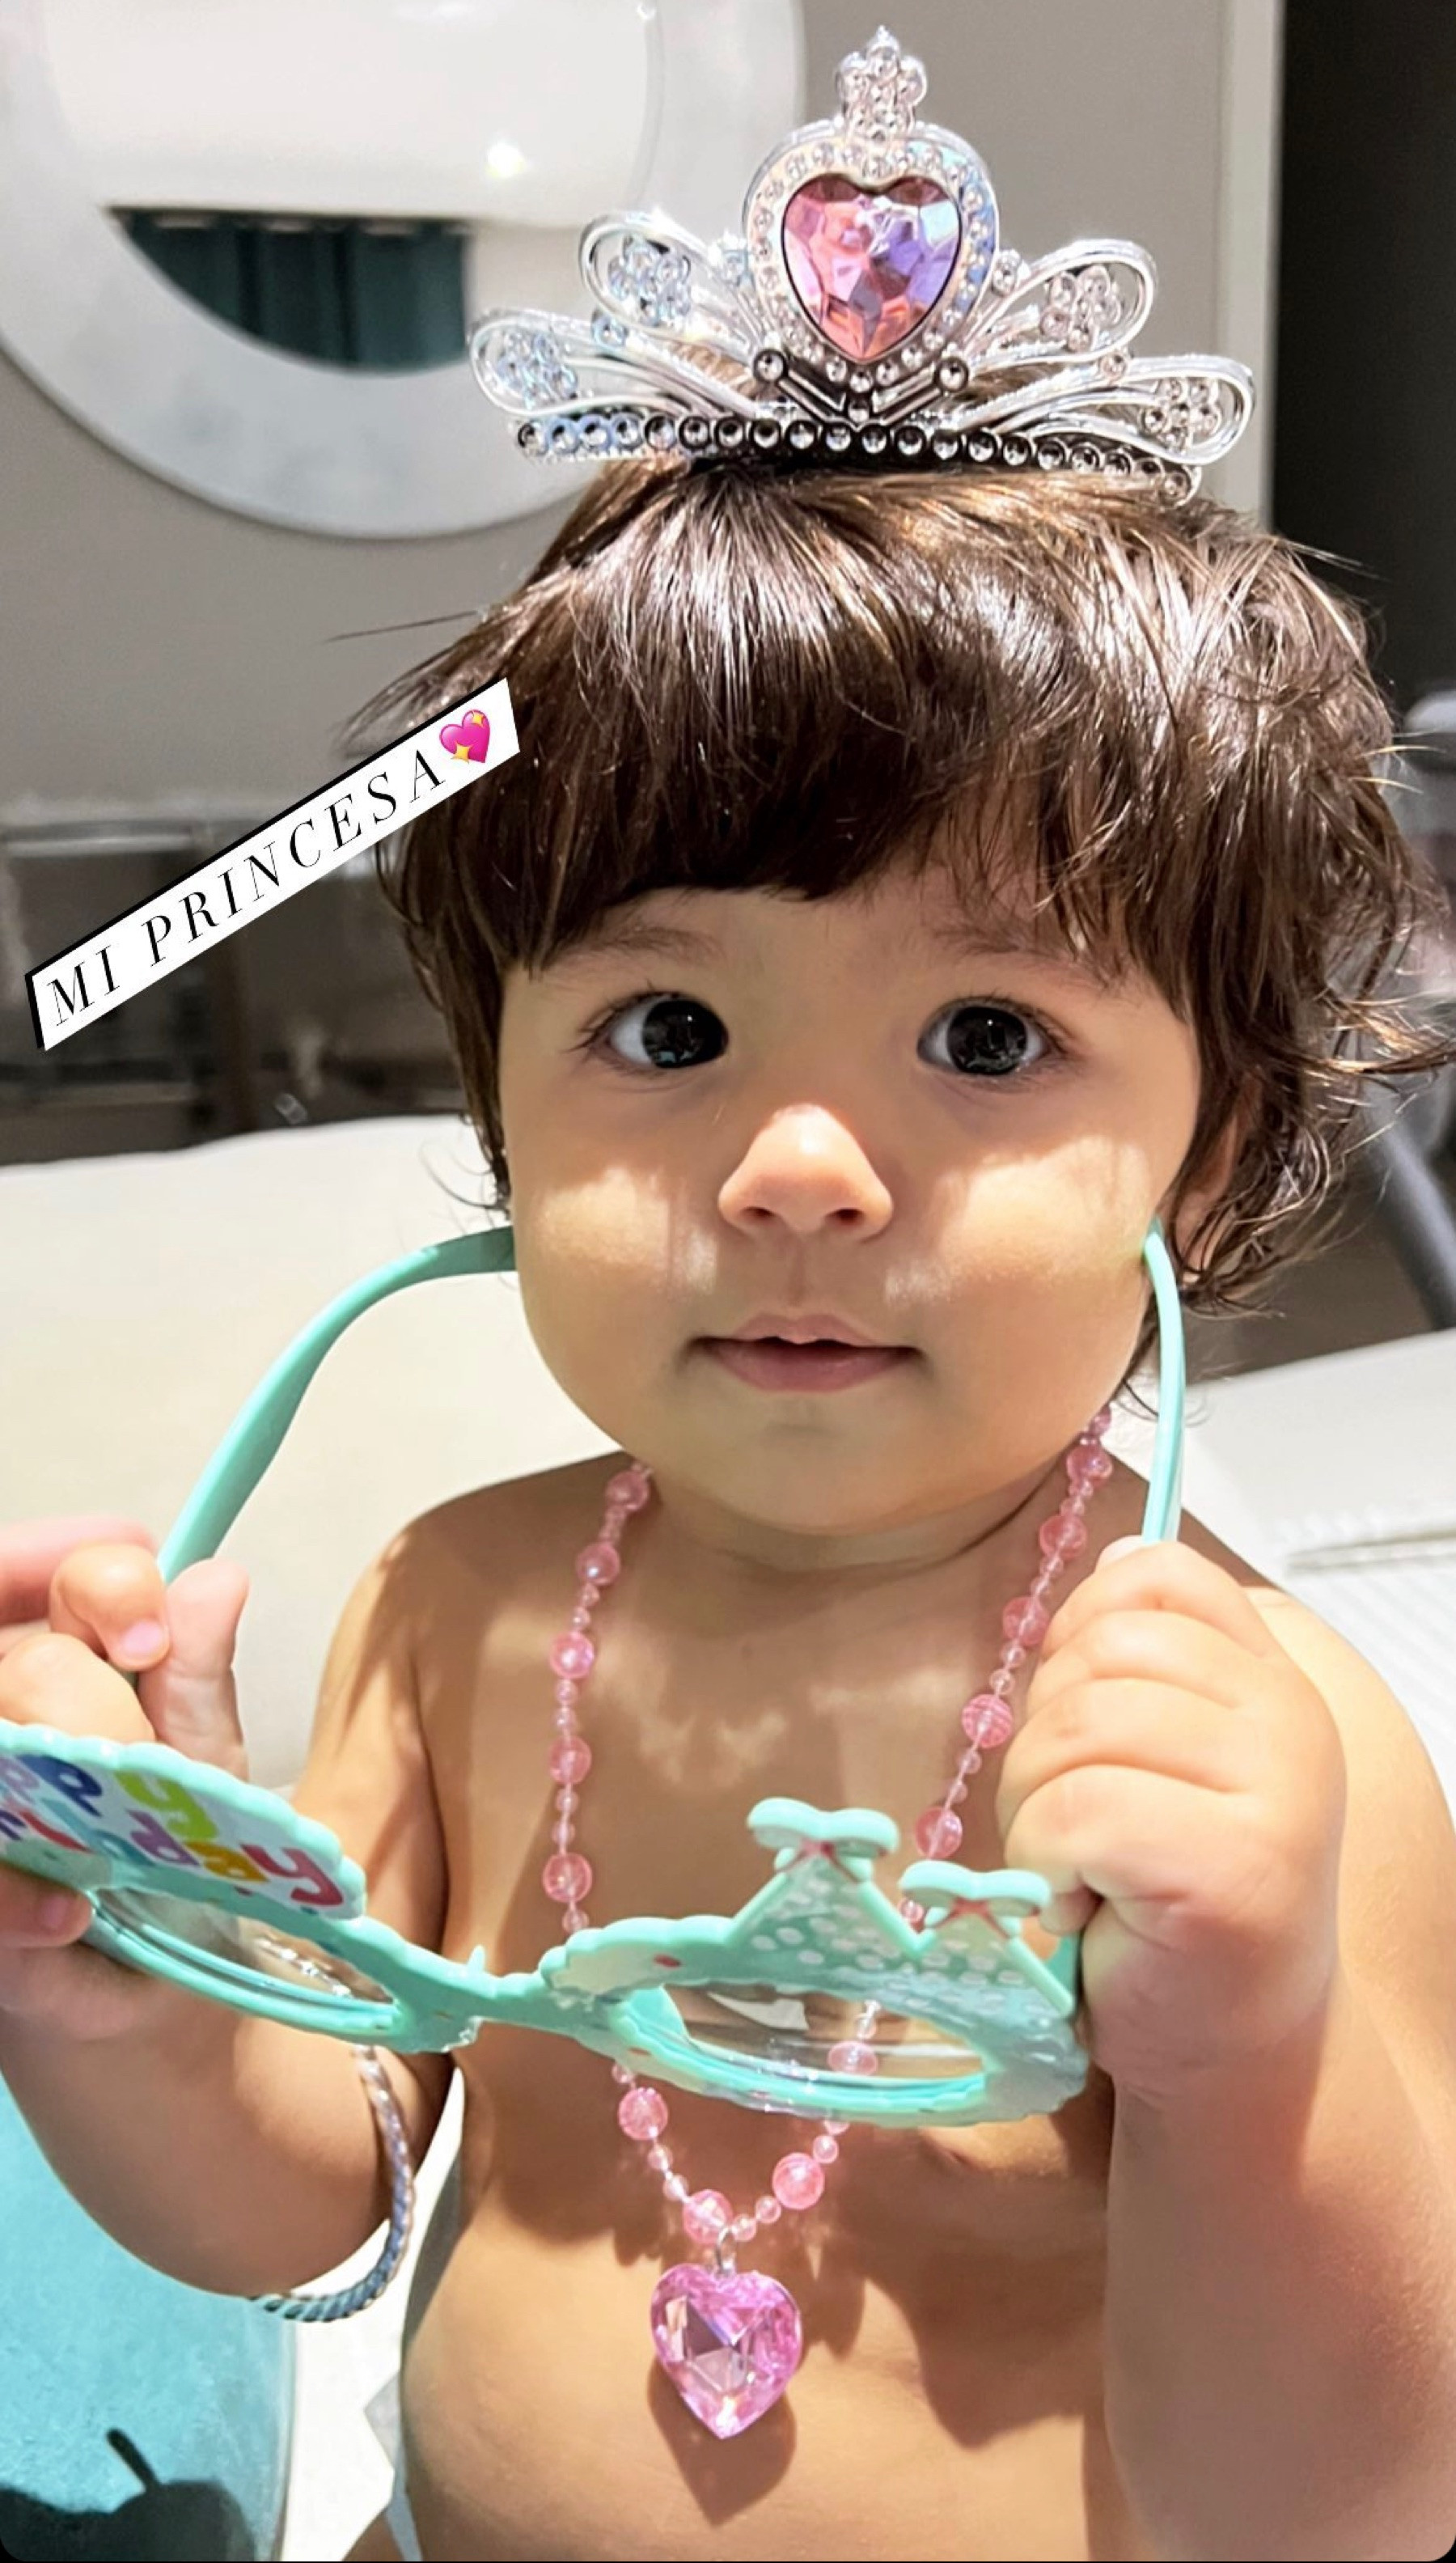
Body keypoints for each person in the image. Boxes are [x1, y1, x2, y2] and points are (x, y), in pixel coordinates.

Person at [6, 54, 1456, 2552]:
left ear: (1210, 1158)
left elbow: (1340, 2510)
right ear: (500, 1109)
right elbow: (306, 2200)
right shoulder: (458, 1604)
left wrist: (1250, 2047)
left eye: (986, 1039)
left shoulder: (1256, 1743)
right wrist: (128, 1972)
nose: (793, 1167)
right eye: (666, 1030)